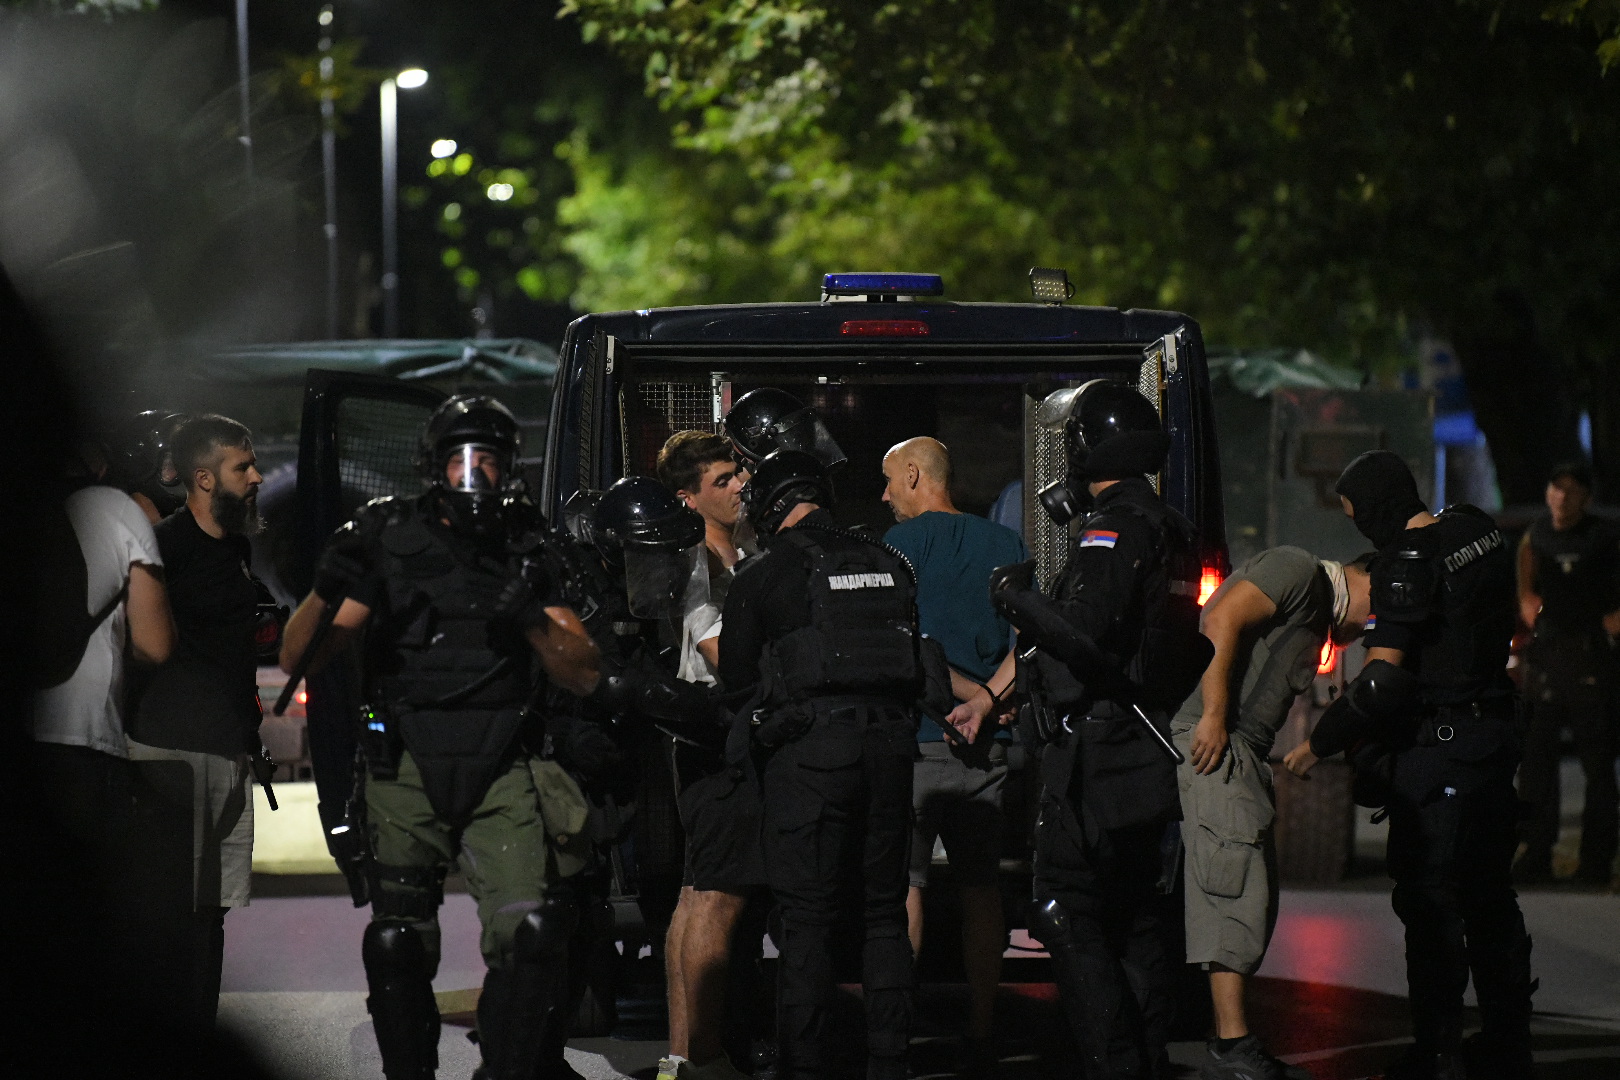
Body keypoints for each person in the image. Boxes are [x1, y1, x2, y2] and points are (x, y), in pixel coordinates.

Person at [279, 394, 602, 1080]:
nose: (472, 473)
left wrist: (532, 623)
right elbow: (301, 660)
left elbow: (583, 673)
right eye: (460, 458)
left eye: (486, 457)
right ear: (433, 466)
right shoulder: (393, 540)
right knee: (396, 942)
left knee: (535, 932)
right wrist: (325, 586)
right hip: (407, 762)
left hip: (501, 761)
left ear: (508, 465)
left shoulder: (526, 544)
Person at [1283, 450, 1534, 1080]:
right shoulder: (1478, 530)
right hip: (1495, 739)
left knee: (1431, 907)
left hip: (1439, 753)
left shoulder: (1405, 565)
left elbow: (1380, 684)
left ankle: (1438, 1052)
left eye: (1359, 517)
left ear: (1378, 509)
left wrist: (1316, 744)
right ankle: (1509, 1044)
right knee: (1490, 897)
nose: (1362, 530)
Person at [992, 380, 1208, 1080]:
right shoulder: (1171, 527)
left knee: (1065, 907)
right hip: (1142, 743)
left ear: (1087, 445)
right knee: (1137, 918)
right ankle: (1141, 1059)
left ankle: (1115, 1064)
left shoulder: (1115, 526)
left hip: (1102, 750)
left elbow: (1084, 634)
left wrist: (1018, 599)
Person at [719, 449, 922, 1080]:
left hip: (809, 760)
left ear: (771, 503)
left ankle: (805, 1067)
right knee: (884, 914)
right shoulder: (890, 561)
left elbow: (735, 684)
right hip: (891, 752)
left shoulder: (763, 575)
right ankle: (890, 1063)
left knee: (806, 922)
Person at [1176, 547, 1374, 1079]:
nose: (1377, 622)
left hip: (1240, 746)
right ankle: (1233, 1046)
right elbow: (1220, 617)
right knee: (1233, 884)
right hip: (1216, 738)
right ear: (1364, 575)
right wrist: (1214, 717)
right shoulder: (1299, 571)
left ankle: (1227, 1036)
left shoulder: (1317, 614)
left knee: (1249, 887)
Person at [879, 435, 1025, 1074]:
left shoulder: (892, 550)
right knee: (981, 888)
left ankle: (898, 1034)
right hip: (987, 747)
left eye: (888, 482)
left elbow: (907, 647)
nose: (884, 497)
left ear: (914, 474)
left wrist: (960, 696)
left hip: (914, 744)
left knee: (904, 886)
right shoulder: (1006, 545)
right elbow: (1032, 642)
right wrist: (989, 701)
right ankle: (984, 1025)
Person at [124, 413, 270, 1034]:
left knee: (209, 915)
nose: (259, 477)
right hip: (175, 754)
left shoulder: (234, 547)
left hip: (226, 752)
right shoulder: (167, 549)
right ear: (205, 479)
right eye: (245, 466)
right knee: (173, 917)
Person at [654, 432, 767, 1080]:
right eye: (723, 479)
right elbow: (716, 650)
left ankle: (685, 1057)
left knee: (698, 897)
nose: (739, 487)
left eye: (739, 475)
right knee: (714, 900)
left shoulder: (744, 547)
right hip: (716, 733)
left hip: (720, 733)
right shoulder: (698, 560)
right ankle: (701, 1058)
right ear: (687, 496)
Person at [1513, 460, 1620, 886]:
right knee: (1536, 765)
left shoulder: (1605, 537)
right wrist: (1529, 609)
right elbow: (1525, 583)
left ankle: (1595, 862)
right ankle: (1536, 853)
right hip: (1545, 662)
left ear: (1586, 498)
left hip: (1593, 662)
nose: (1562, 498)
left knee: (1598, 767)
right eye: (1556, 490)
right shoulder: (1536, 535)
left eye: (1571, 491)